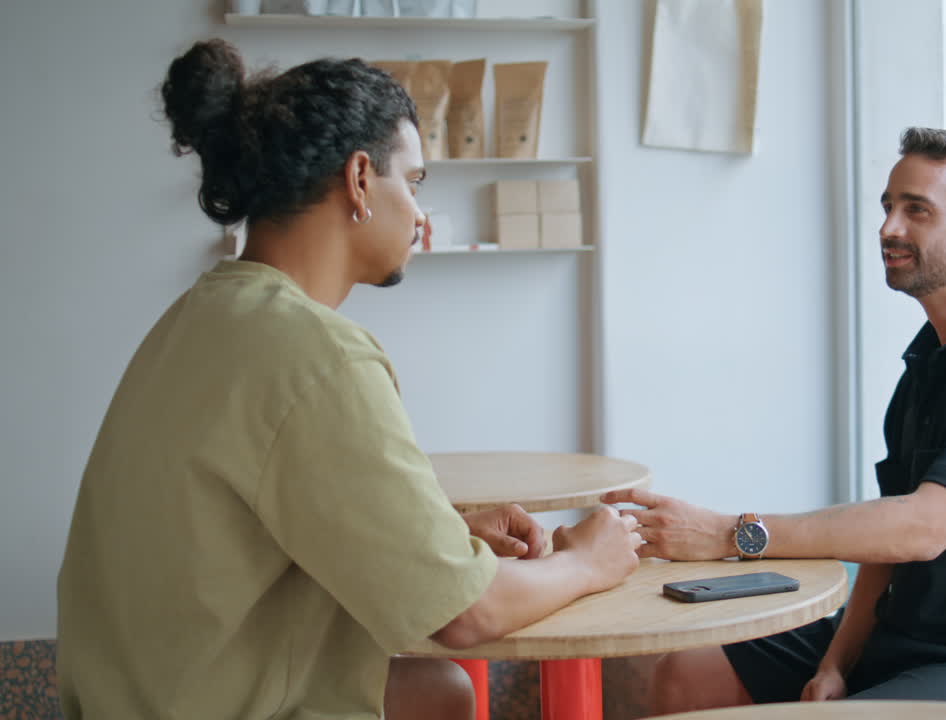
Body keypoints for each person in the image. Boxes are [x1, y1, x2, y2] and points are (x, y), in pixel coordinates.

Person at [55, 39, 641, 720]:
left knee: (440, 693)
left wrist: (434, 527)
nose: (421, 214)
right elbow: (463, 614)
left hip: (126, 700)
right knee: (447, 681)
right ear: (361, 179)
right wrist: (588, 563)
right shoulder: (317, 354)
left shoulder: (203, 317)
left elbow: (249, 516)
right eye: (414, 182)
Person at [603, 127, 946, 716]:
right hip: (908, 640)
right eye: (888, 207)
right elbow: (891, 541)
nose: (888, 229)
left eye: (917, 210)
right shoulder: (930, 359)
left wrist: (732, 534)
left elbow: (922, 528)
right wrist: (837, 660)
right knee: (689, 673)